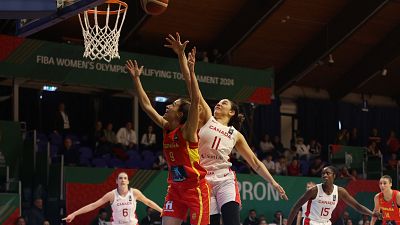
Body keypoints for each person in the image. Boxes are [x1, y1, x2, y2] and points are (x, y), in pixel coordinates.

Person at [165, 32, 287, 225]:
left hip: (224, 180)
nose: (218, 105)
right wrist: (183, 59)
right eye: (218, 103)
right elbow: (193, 89)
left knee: (231, 221)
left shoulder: (235, 135)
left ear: (232, 112)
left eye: (223, 104)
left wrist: (272, 181)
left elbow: (254, 162)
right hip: (203, 181)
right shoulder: (207, 119)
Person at [125, 53, 209, 225]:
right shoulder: (166, 127)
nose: (167, 106)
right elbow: (147, 106)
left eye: (173, 105)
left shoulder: (188, 131)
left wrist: (191, 72)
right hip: (175, 189)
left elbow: (196, 102)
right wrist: (136, 80)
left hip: (196, 189)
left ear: (179, 114)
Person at [287, 166, 381, 225]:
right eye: (323, 174)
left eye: (327, 173)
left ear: (334, 176)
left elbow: (357, 206)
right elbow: (295, 207)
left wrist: (372, 213)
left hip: (326, 222)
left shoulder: (340, 191)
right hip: (311, 222)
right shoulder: (314, 190)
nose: (324, 175)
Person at [63, 172, 162, 225]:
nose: (122, 180)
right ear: (116, 181)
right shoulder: (111, 195)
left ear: (128, 181)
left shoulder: (135, 193)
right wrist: (74, 214)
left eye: (125, 178)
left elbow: (148, 202)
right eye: (120, 178)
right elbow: (93, 205)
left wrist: (161, 210)